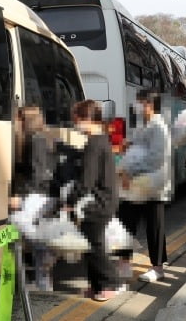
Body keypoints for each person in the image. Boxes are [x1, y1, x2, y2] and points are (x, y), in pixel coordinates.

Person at [67, 100, 120, 302]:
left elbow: (86, 181)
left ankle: (110, 283)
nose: (76, 125)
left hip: (99, 201)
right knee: (90, 244)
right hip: (104, 199)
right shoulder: (100, 140)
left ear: (87, 119)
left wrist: (71, 200)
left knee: (94, 245)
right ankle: (96, 285)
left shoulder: (94, 144)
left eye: (77, 120)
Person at [117, 89, 171, 283]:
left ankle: (157, 267)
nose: (136, 106)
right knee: (125, 219)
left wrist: (131, 172)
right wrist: (127, 145)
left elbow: (156, 158)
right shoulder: (143, 126)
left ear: (149, 104)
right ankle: (124, 262)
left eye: (139, 102)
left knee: (154, 225)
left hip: (152, 185)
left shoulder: (159, 127)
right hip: (136, 186)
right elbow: (137, 148)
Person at [10, 106, 58, 291]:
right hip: (46, 193)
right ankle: (43, 283)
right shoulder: (44, 137)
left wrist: (19, 197)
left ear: (25, 121)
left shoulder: (36, 140)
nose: (15, 123)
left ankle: (48, 254)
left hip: (40, 194)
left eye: (18, 119)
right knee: (38, 235)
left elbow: (38, 174)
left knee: (17, 222)